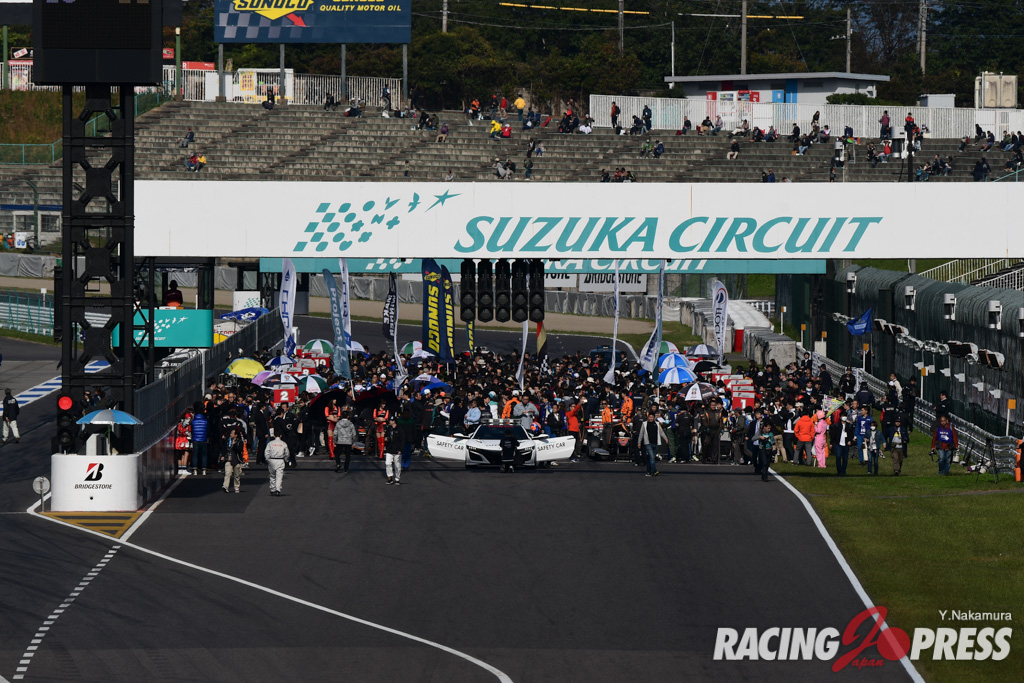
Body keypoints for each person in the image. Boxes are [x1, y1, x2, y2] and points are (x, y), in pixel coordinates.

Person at [636, 411, 666, 477]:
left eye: (652, 417)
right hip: (648, 443)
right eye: (650, 417)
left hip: (655, 443)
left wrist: (665, 438)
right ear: (648, 417)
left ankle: (648, 472)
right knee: (652, 457)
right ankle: (654, 471)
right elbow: (641, 433)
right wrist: (639, 442)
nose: (651, 418)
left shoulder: (657, 424)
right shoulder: (644, 424)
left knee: (651, 458)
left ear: (654, 417)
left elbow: (661, 432)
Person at [221, 426, 245, 493]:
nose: (230, 434)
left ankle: (236, 486)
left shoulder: (240, 442)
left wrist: (234, 445)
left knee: (236, 475)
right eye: (230, 433)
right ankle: (225, 486)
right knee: (228, 473)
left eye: (232, 433)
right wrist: (223, 455)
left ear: (236, 435)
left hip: (236, 459)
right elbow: (224, 448)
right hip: (228, 459)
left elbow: (240, 450)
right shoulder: (228, 440)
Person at [333, 407, 355, 472]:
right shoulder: (351, 424)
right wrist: (353, 441)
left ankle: (338, 463)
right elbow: (354, 434)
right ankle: (346, 468)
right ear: (348, 416)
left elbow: (335, 433)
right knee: (347, 455)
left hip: (340, 440)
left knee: (337, 454)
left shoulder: (338, 423)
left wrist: (335, 441)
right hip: (348, 441)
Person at [384, 417, 403, 484]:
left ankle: (397, 479)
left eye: (391, 420)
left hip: (397, 449)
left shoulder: (399, 429)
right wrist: (386, 439)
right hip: (389, 449)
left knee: (397, 465)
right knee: (387, 463)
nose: (389, 422)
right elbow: (386, 436)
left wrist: (401, 449)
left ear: (394, 421)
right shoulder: (388, 429)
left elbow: (402, 440)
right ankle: (389, 477)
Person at [191, 402, 208, 475]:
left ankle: (195, 469)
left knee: (195, 454)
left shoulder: (193, 421)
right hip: (203, 439)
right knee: (204, 455)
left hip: (195, 439)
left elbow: (192, 430)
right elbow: (207, 430)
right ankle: (204, 470)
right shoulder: (205, 421)